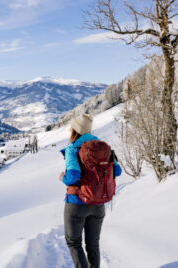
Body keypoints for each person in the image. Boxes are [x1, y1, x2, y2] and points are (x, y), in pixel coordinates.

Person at [59, 113, 122, 268]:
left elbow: (73, 176)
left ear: (75, 130)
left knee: (74, 243)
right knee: (93, 245)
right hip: (98, 204)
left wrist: (63, 178)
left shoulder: (73, 148)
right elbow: (118, 171)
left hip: (77, 203)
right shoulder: (103, 147)